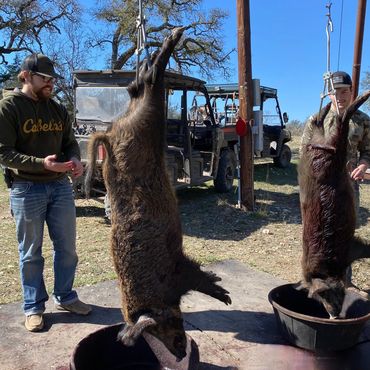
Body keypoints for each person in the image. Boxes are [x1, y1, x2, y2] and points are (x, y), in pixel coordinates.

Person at [0, 53, 91, 332]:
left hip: (60, 187)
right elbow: (4, 153)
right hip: (26, 188)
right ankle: (33, 307)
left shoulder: (57, 109)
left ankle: (65, 296)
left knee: (68, 250)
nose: (50, 84)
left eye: (52, 79)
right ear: (26, 76)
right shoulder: (9, 107)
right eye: (45, 79)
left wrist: (74, 159)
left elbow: (70, 143)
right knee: (30, 253)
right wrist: (43, 164)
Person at [301, 70, 370, 293]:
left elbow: (367, 150)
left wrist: (364, 165)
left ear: (351, 92)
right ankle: (315, 283)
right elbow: (304, 152)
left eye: (344, 91)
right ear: (329, 94)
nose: (340, 96)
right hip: (318, 190)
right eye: (335, 92)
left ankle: (344, 283)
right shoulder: (317, 120)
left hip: (348, 187)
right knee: (316, 236)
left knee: (344, 234)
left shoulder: (362, 121)